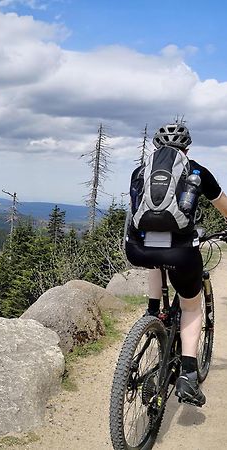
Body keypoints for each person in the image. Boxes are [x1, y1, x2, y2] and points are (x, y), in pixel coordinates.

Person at [125, 122, 227, 407]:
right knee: (191, 306)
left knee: (154, 257)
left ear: (157, 148)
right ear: (187, 149)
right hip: (180, 253)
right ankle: (189, 375)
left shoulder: (140, 172)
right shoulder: (197, 171)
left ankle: (153, 314)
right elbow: (222, 205)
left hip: (139, 249)